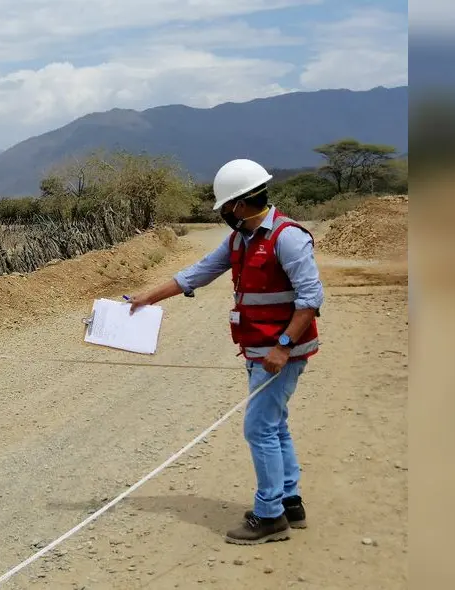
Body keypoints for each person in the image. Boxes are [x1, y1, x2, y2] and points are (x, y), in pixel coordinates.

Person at [127, 158, 324, 545]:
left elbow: (311, 297)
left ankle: (270, 516)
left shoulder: (287, 237)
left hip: (280, 352)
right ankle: (290, 500)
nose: (222, 214)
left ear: (238, 204)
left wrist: (283, 347)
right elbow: (199, 271)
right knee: (274, 424)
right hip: (256, 350)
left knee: (258, 428)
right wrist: (146, 298)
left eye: (223, 207)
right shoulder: (240, 240)